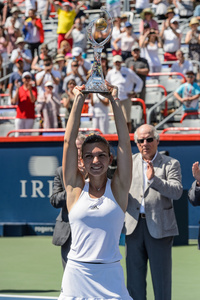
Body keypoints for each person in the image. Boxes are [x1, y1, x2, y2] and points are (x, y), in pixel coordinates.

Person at [58, 80, 132, 300]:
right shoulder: (74, 189)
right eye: (89, 156)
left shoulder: (118, 188)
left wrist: (114, 100)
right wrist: (79, 98)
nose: (96, 160)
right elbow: (68, 142)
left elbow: (125, 145)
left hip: (111, 275)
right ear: (82, 160)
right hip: (76, 275)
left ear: (110, 159)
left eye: (101, 155)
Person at [124, 124, 183, 300]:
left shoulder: (170, 163)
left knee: (162, 281)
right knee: (134, 282)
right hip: (133, 227)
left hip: (160, 228)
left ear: (157, 140)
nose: (145, 143)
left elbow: (177, 191)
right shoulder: (128, 163)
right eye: (140, 140)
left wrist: (154, 180)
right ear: (136, 143)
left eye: (149, 139)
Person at [50, 133, 86, 270]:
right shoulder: (61, 172)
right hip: (68, 232)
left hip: (91, 230)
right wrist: (73, 188)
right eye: (73, 148)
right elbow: (54, 200)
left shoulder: (96, 171)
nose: (76, 152)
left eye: (79, 148)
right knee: (69, 275)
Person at [106, 55, 143, 132]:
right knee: (114, 119)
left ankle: (127, 137)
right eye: (116, 62)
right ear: (113, 63)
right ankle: (116, 137)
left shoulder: (128, 71)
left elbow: (139, 81)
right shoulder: (110, 73)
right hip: (114, 99)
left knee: (127, 120)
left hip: (125, 98)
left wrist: (135, 92)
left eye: (119, 62)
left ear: (121, 62)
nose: (117, 63)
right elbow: (106, 84)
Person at [11, 71, 37, 137]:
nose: (27, 79)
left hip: (30, 116)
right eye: (25, 78)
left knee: (28, 135)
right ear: (22, 79)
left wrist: (30, 90)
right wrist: (17, 89)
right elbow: (14, 101)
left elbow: (33, 100)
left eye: (28, 78)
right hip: (20, 116)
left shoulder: (34, 89)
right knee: (18, 135)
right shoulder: (19, 89)